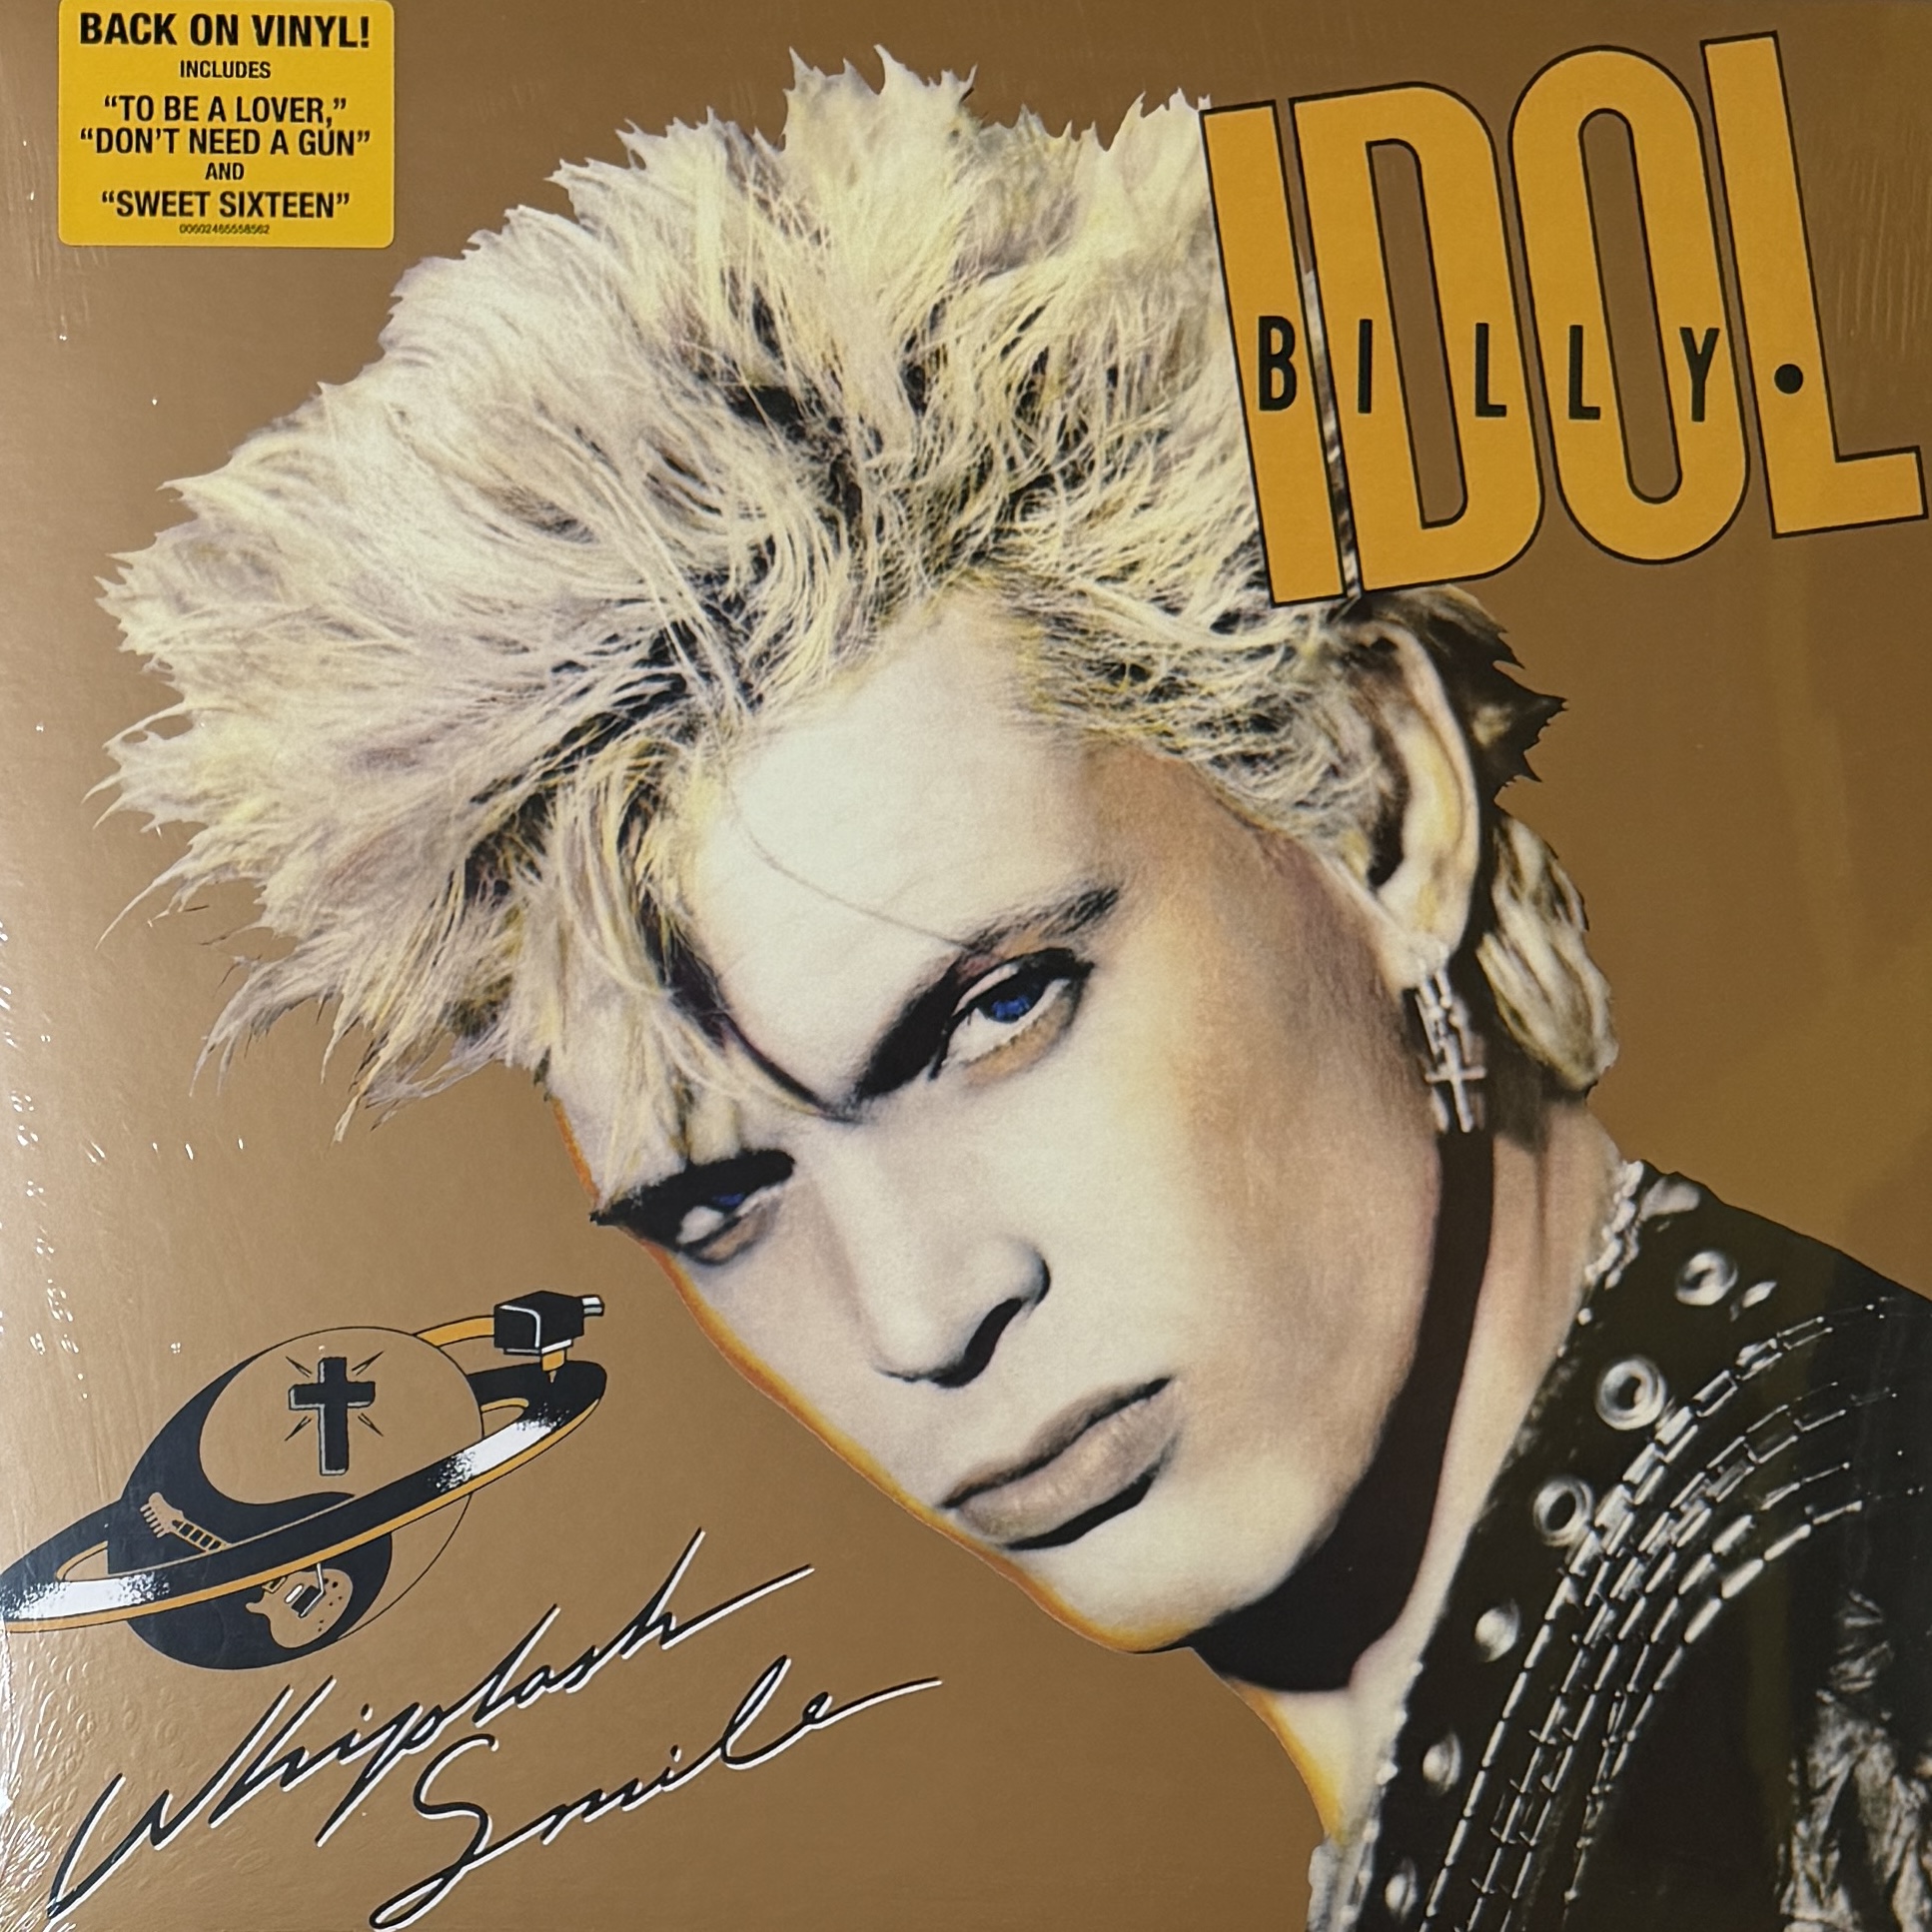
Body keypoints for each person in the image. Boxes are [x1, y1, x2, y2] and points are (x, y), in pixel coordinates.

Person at [105, 58, 1932, 1931]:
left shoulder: (1850, 1662)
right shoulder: (1600, 1686)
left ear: (1379, 805)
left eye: (994, 1014)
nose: (919, 1314)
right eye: (726, 1204)